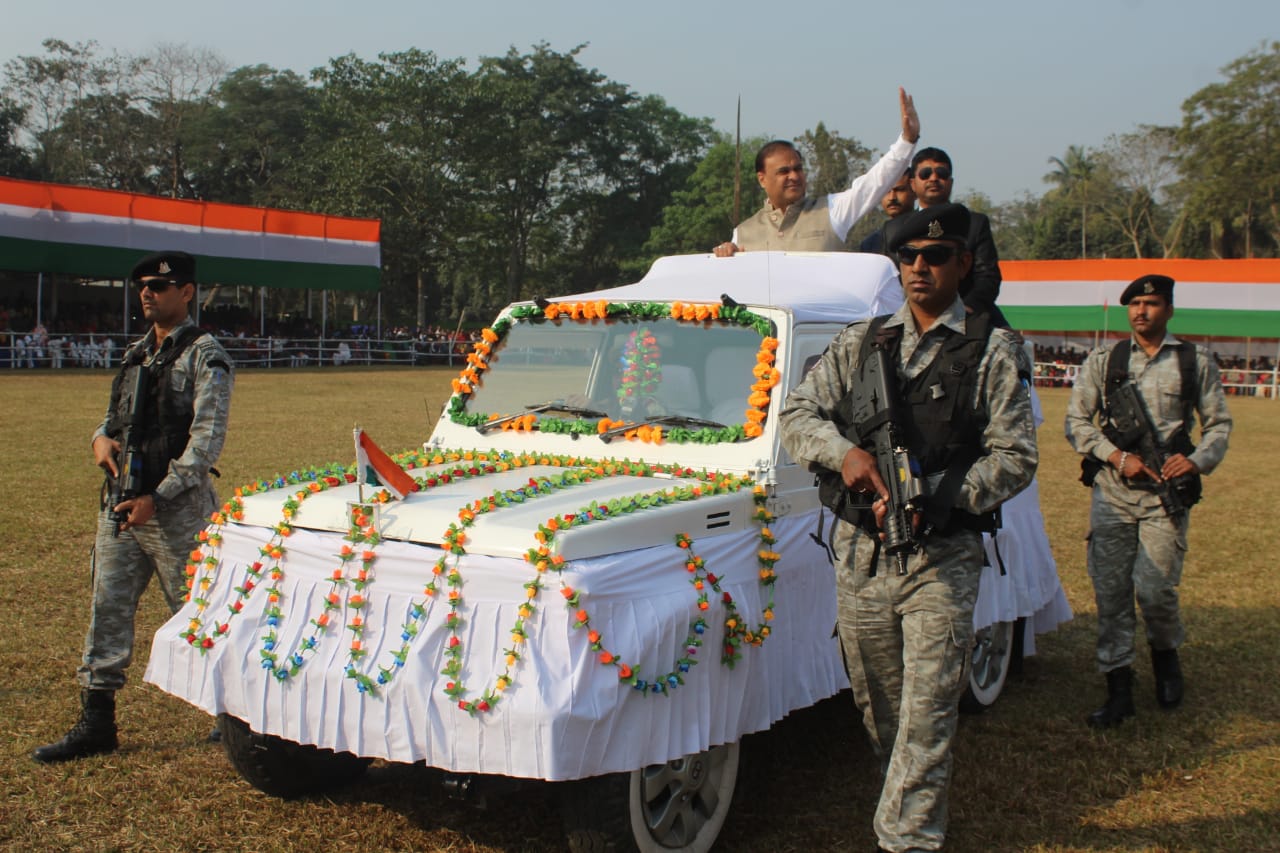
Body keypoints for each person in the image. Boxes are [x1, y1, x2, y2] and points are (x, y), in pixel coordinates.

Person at [779, 204, 1037, 852]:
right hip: (862, 555)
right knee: (883, 711)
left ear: (963, 263)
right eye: (910, 257)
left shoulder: (991, 348)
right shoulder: (863, 343)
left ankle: (907, 837)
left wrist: (941, 493)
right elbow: (797, 412)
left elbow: (1016, 455)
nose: (921, 266)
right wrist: (846, 455)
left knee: (926, 714)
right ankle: (914, 800)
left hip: (941, 555)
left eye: (937, 255)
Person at [33, 250, 234, 763]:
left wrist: (156, 497)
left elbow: (204, 446)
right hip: (121, 505)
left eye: (158, 286)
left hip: (176, 512)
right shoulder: (133, 354)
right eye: (143, 286)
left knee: (198, 615)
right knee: (107, 611)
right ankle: (98, 721)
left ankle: (234, 718)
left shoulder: (206, 356)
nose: (147, 293)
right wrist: (99, 442)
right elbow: (112, 421)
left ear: (186, 292)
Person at [1064, 274, 1231, 729]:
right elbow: (1078, 422)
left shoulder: (1194, 361)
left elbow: (1218, 424)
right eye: (1135, 303)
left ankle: (1165, 657)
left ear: (1169, 309)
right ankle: (1118, 688)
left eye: (1152, 303)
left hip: (1164, 498)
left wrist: (1196, 462)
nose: (1142, 311)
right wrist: (1116, 457)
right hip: (1114, 494)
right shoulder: (1106, 359)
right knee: (1112, 592)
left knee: (1156, 591)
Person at [713, 88, 919, 256]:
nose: (794, 176)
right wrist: (726, 256)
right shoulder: (742, 234)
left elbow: (875, 183)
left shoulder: (832, 211)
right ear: (762, 179)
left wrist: (907, 141)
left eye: (798, 169)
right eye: (784, 171)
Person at [909, 146, 1006, 325]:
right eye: (925, 174)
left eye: (941, 173)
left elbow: (987, 277)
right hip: (912, 319)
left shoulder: (975, 224)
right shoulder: (900, 229)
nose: (934, 178)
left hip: (967, 317)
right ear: (913, 183)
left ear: (951, 182)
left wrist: (965, 309)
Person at [858, 169, 916, 255]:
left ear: (914, 191)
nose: (892, 197)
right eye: (886, 191)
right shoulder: (870, 244)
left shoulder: (926, 233)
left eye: (899, 190)